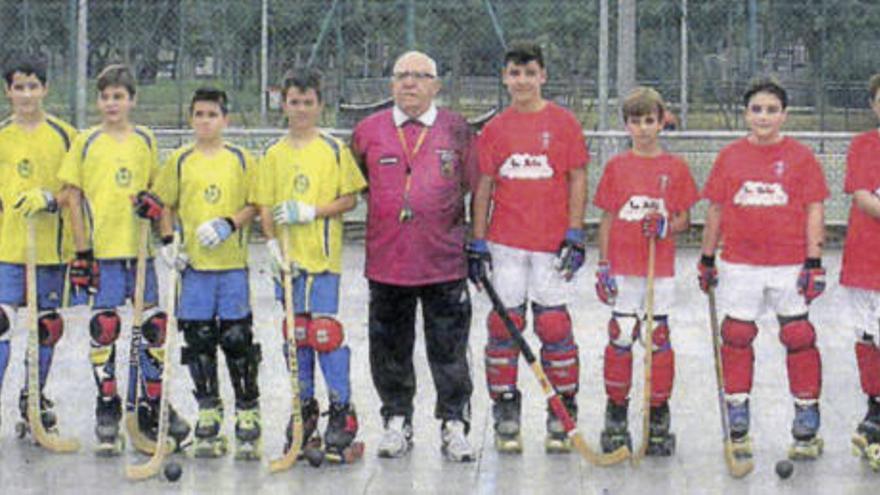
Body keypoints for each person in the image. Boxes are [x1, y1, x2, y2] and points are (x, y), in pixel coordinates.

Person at [352, 51, 477, 462]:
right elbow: (361, 183)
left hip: (443, 260)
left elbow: (474, 183)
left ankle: (454, 422)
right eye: (402, 76)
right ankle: (396, 420)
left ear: (436, 85)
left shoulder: (457, 130)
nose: (410, 83)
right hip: (388, 261)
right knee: (389, 347)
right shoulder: (368, 130)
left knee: (449, 348)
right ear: (391, 84)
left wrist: (474, 238)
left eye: (420, 76)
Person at [58, 64, 189, 455]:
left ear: (132, 100)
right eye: (105, 97)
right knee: (105, 327)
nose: (111, 104)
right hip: (104, 252)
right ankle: (108, 406)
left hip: (139, 251)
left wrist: (166, 238)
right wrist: (82, 251)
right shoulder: (86, 141)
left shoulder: (145, 139)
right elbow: (71, 197)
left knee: (152, 328)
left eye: (119, 96)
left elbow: (157, 193)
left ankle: (151, 404)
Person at [698, 78, 829, 461]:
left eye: (772, 110)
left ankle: (806, 416)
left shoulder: (802, 157)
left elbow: (814, 209)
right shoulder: (730, 156)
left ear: (784, 115)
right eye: (757, 109)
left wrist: (815, 261)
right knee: (737, 335)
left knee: (799, 336)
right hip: (740, 263)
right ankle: (737, 415)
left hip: (788, 263)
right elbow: (717, 208)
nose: (764, 116)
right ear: (746, 114)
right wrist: (707, 257)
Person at [469, 42, 589, 454]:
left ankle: (563, 405)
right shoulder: (496, 129)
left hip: (551, 244)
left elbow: (576, 178)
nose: (522, 81)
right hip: (505, 244)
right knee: (504, 325)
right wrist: (478, 240)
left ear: (543, 76)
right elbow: (484, 186)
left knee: (554, 326)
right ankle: (505, 405)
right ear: (505, 78)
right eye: (514, 74)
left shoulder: (564, 123)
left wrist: (575, 231)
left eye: (530, 73)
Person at [258, 69, 367, 462]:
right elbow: (265, 205)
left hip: (322, 260)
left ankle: (342, 411)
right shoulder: (272, 154)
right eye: (293, 102)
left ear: (319, 104)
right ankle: (303, 413)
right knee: (296, 334)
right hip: (289, 263)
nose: (300, 109)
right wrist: (271, 245)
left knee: (323, 333)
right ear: (283, 103)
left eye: (308, 102)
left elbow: (350, 200)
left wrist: (311, 211)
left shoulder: (334, 150)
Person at [151, 87, 261, 460]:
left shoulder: (241, 159)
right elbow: (165, 204)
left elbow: (255, 204)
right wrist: (169, 242)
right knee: (198, 339)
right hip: (195, 268)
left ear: (225, 120)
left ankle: (248, 410)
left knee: (236, 337)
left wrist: (230, 223)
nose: (205, 121)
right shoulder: (180, 160)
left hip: (230, 266)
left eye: (212, 114)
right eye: (198, 114)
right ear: (191, 119)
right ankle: (208, 409)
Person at [593, 87, 698, 456]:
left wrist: (668, 225)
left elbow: (686, 218)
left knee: (657, 337)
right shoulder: (616, 167)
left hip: (659, 269)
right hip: (623, 266)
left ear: (661, 121)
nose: (642, 128)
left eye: (649, 120)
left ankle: (657, 414)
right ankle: (616, 414)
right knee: (621, 334)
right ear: (626, 125)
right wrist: (603, 264)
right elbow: (606, 217)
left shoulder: (676, 168)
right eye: (635, 121)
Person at [0, 57, 76, 438]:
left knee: (46, 328)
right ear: (7, 91)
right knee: (0, 326)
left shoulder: (65, 135)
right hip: (7, 250)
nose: (27, 94)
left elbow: (75, 190)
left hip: (49, 250)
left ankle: (34, 399)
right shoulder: (1, 136)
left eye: (33, 86)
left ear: (45, 89)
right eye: (18, 87)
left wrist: (50, 198)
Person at [840, 73, 880, 466]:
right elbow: (863, 197)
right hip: (867, 261)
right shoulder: (864, 146)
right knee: (868, 339)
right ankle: (875, 409)